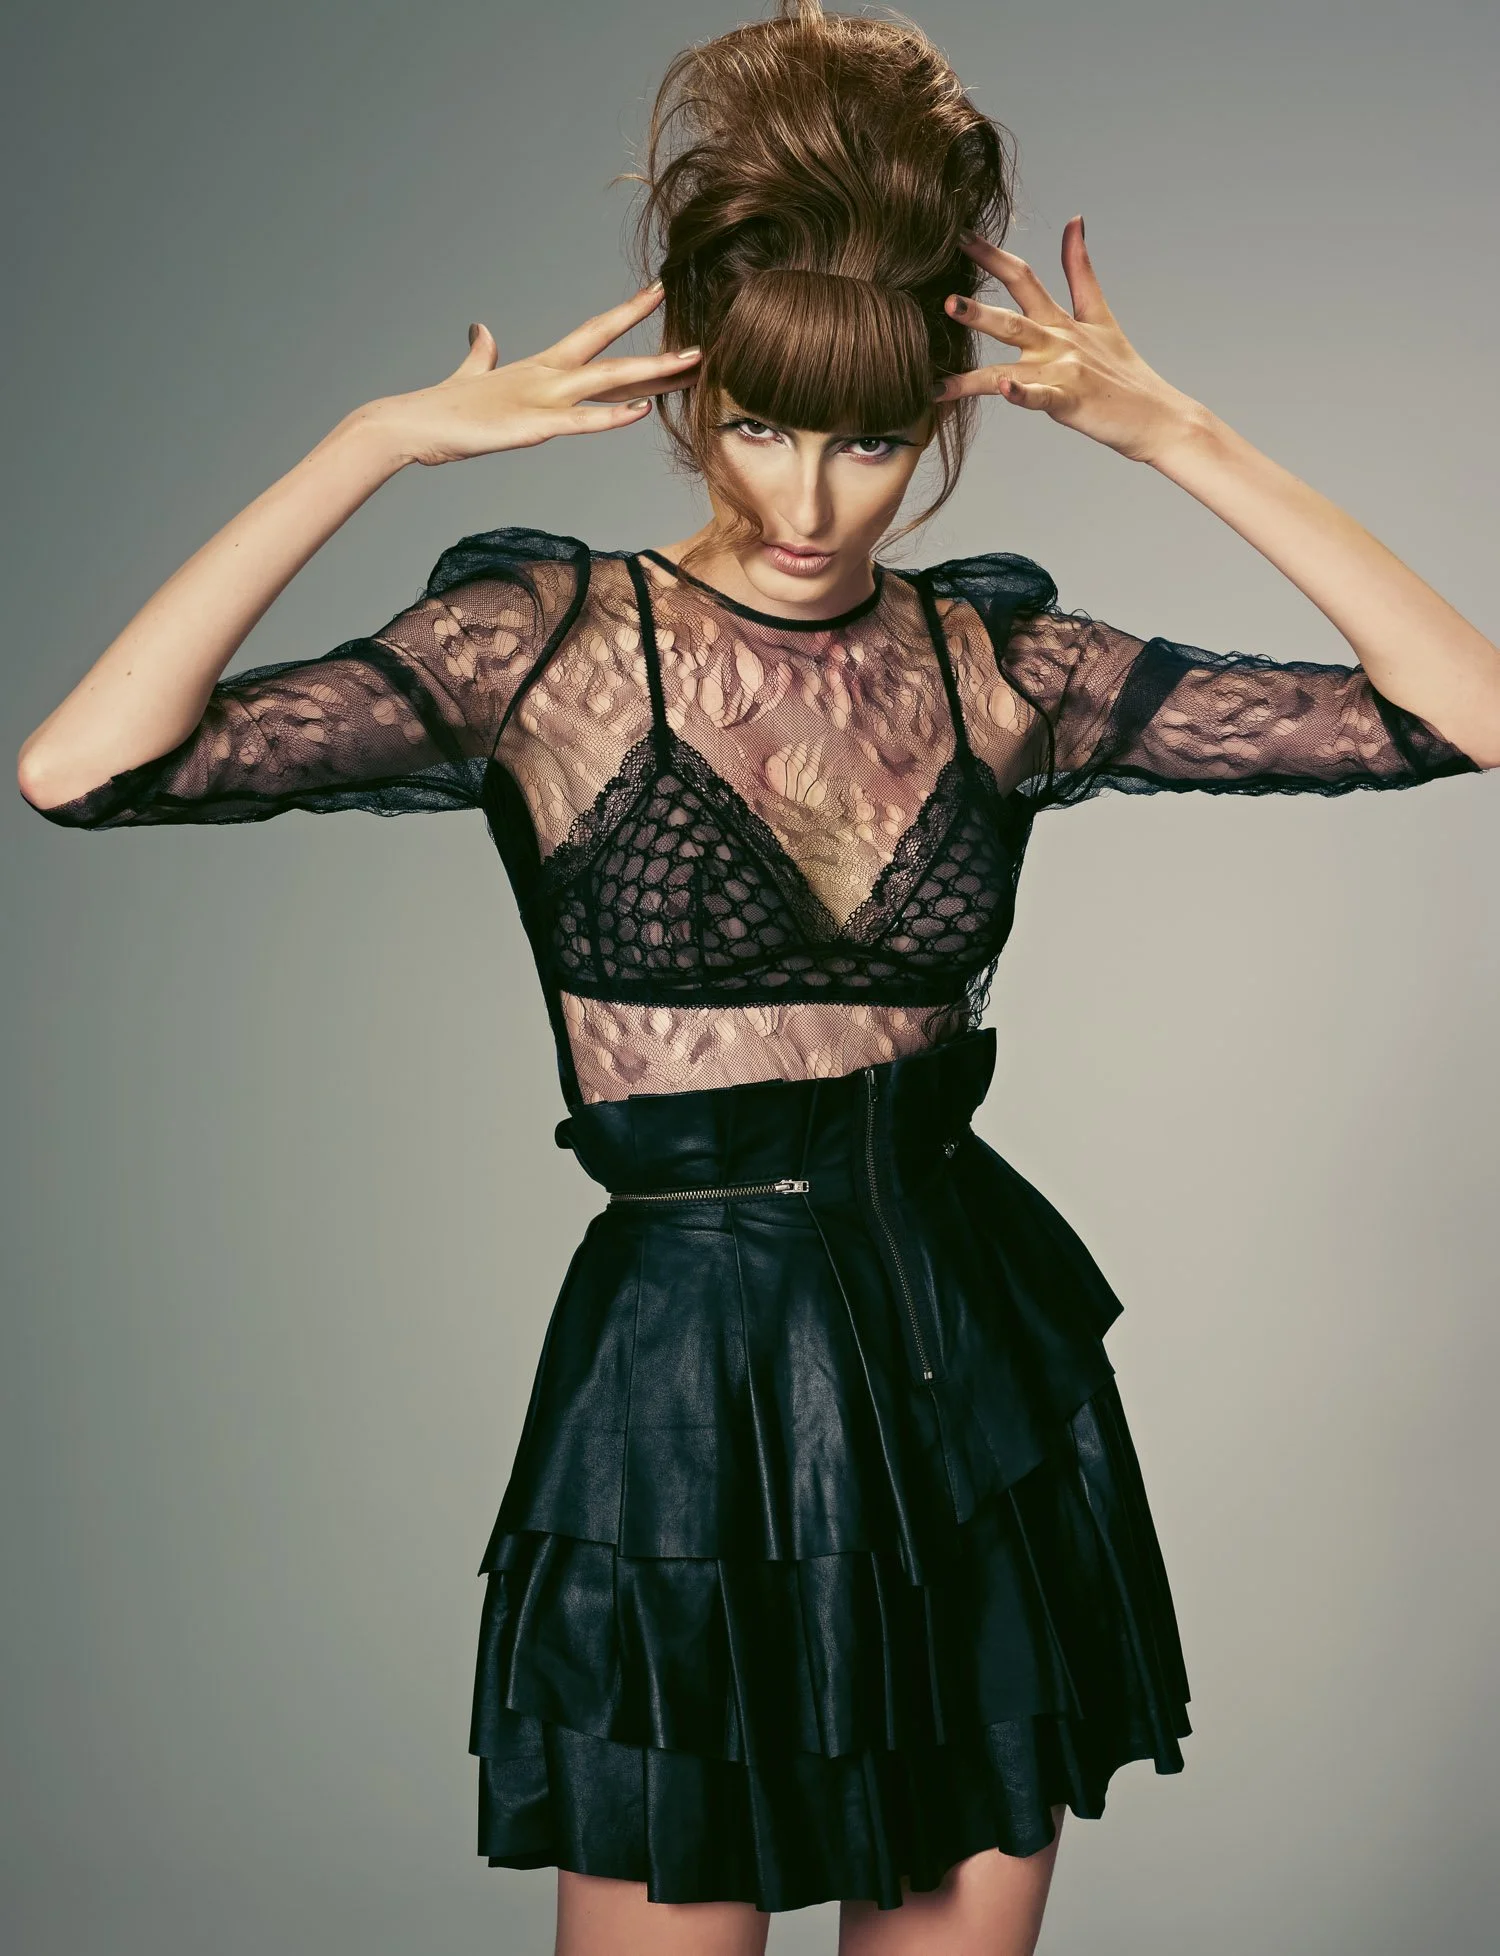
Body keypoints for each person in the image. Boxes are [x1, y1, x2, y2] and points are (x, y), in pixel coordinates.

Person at [17, 2, 1497, 1951]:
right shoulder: (542, 643)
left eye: (875, 441)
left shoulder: (997, 669)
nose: (810, 507)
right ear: (686, 397)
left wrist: (1181, 435)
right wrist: (371, 444)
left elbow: (1464, 716)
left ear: (943, 423)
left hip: (971, 1370)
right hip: (684, 1404)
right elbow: (83, 765)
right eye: (766, 428)